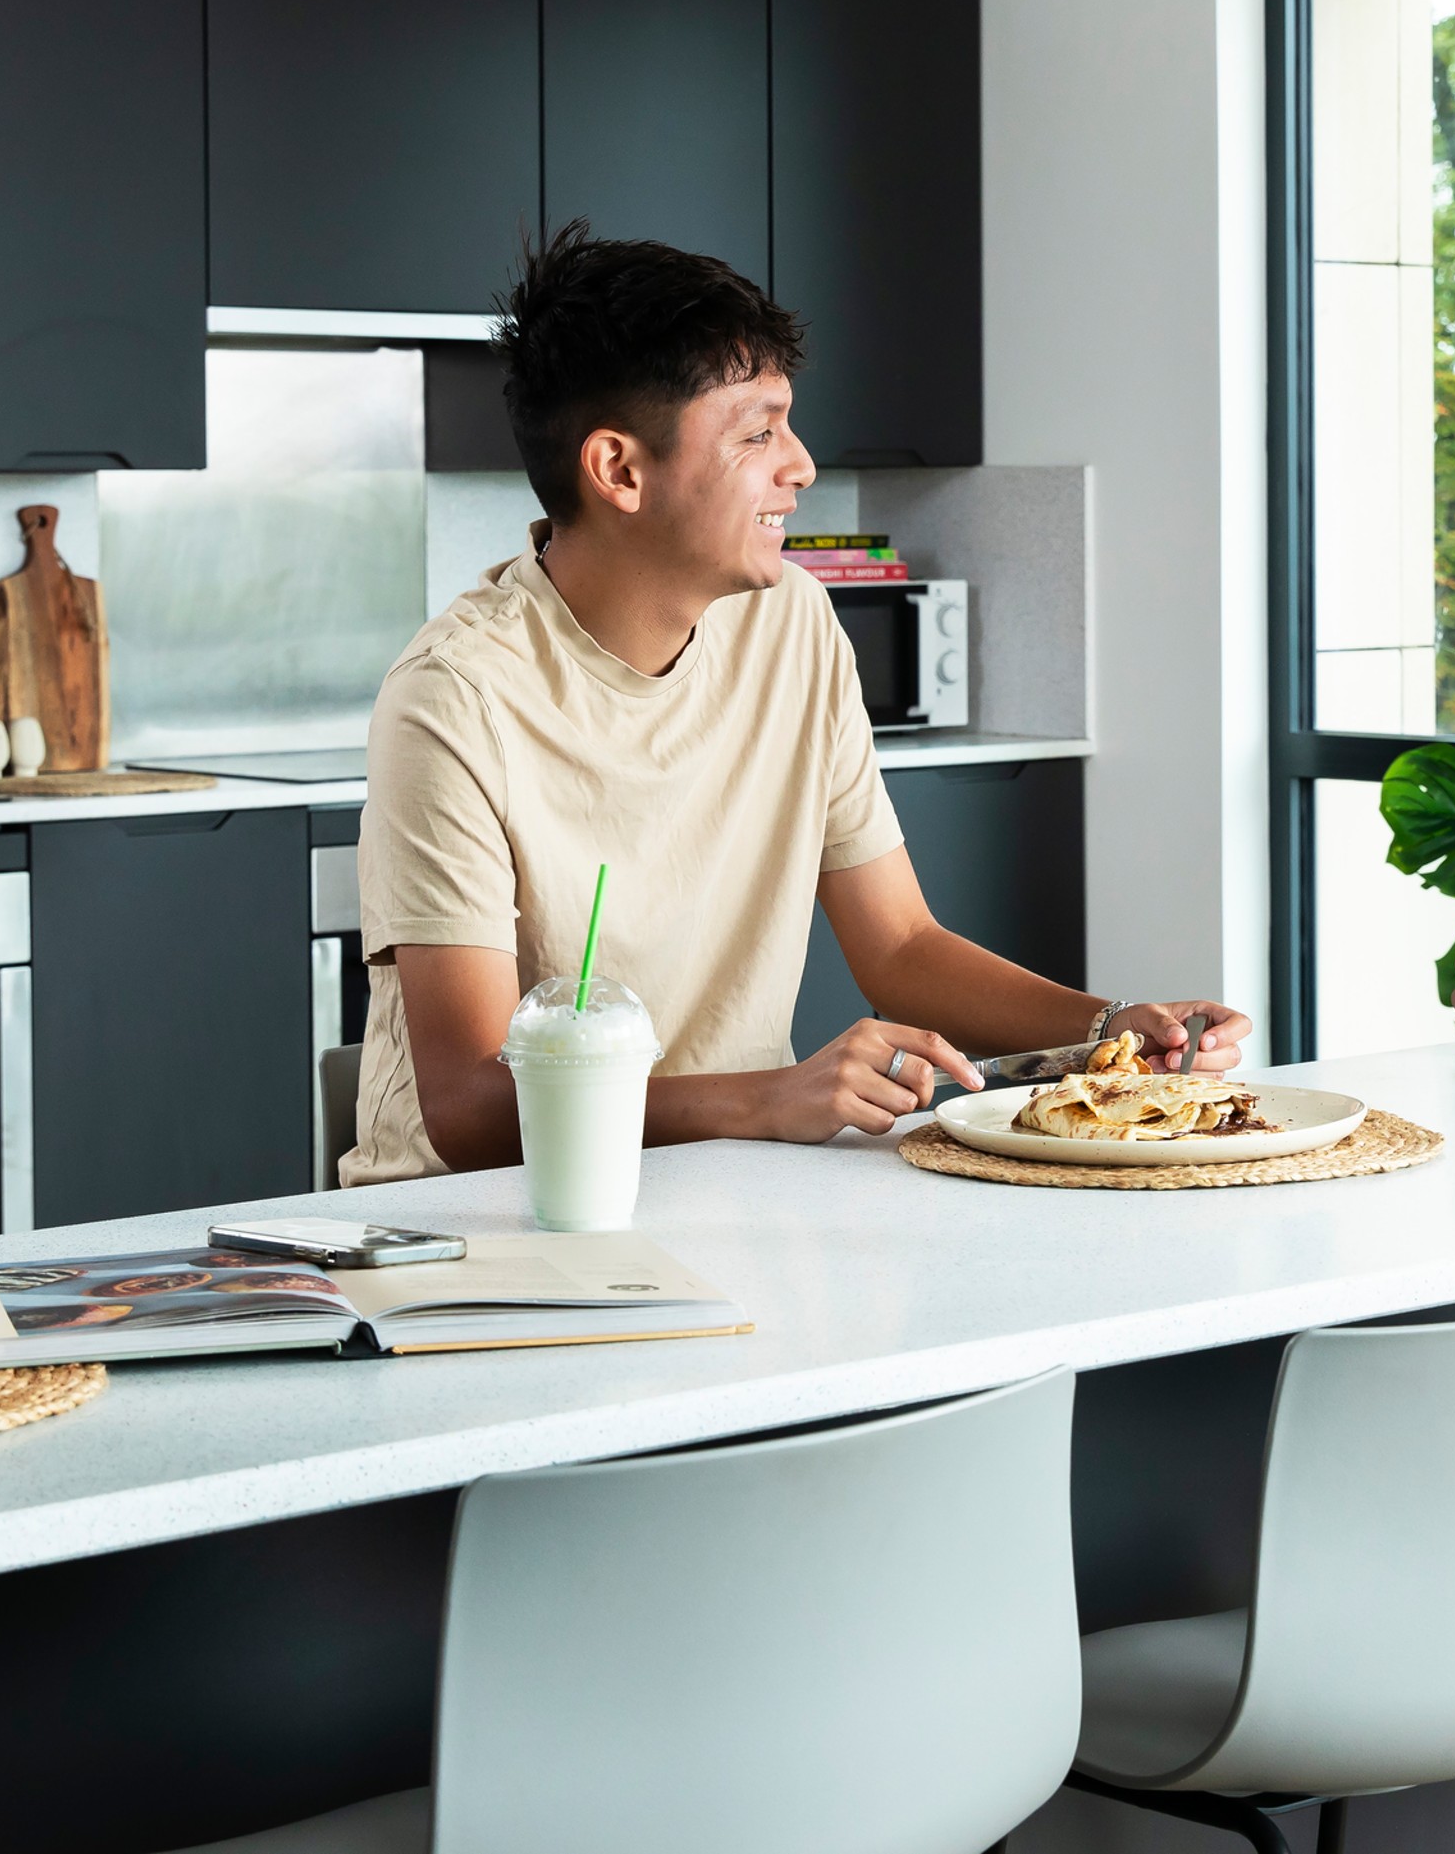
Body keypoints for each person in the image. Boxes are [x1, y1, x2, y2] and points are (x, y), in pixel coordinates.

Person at [346, 224, 1244, 1186]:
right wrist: (770, 1096)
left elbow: (900, 944)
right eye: (757, 431)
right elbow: (471, 1109)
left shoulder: (795, 625)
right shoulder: (455, 698)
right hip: (475, 1234)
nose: (801, 465)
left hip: (723, 1190)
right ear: (619, 470)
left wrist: (1105, 1028)